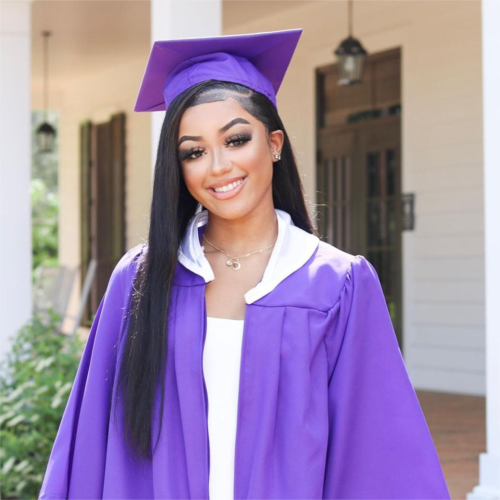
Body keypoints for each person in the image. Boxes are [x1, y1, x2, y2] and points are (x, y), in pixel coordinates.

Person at [38, 28, 451, 500]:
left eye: (236, 140)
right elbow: (91, 441)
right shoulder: (141, 280)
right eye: (193, 151)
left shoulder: (336, 285)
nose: (217, 166)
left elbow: (376, 450)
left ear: (274, 144)